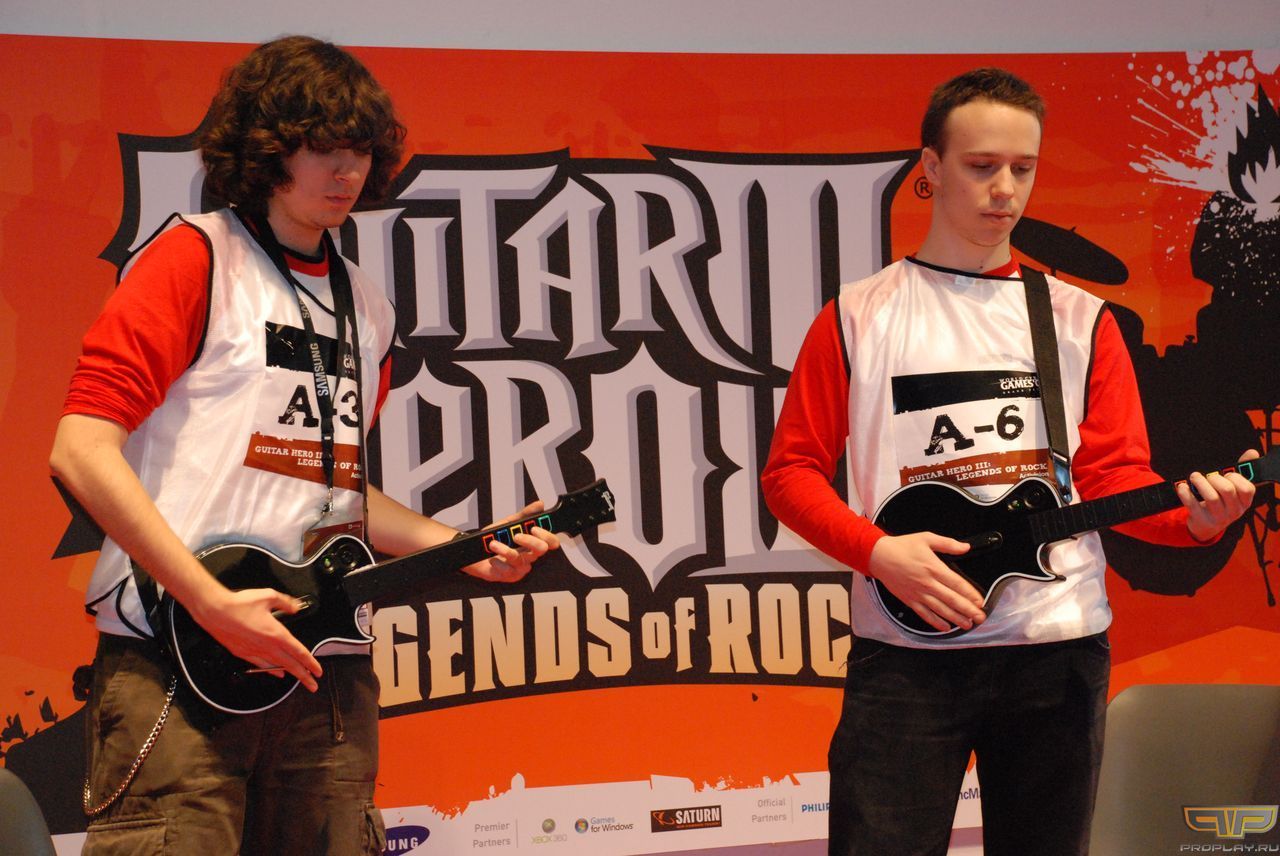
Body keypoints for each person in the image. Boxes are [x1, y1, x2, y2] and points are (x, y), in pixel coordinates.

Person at [48, 35, 559, 855]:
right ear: (267, 150)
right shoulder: (195, 259)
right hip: (180, 656)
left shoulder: (368, 306)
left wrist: (465, 549)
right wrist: (209, 602)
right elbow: (80, 448)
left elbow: (336, 490)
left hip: (325, 668)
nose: (346, 170)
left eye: (360, 149)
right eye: (321, 146)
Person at [760, 67, 1257, 856]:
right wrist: (879, 553)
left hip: (1056, 652)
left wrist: (1195, 524)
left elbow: (1111, 480)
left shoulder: (1080, 318)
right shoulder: (858, 315)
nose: (1005, 190)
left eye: (1023, 169)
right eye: (982, 166)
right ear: (930, 169)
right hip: (908, 653)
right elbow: (789, 473)